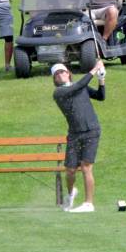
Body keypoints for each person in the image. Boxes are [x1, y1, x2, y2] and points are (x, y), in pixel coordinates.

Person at [51, 61, 106, 213]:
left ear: (68, 73)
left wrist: (102, 79)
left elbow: (101, 96)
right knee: (69, 170)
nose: (60, 75)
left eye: (62, 72)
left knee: (86, 167)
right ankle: (71, 193)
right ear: (55, 79)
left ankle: (89, 203)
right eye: (57, 74)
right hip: (74, 134)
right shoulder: (58, 93)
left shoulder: (81, 87)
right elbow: (78, 86)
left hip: (91, 130)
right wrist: (94, 69)